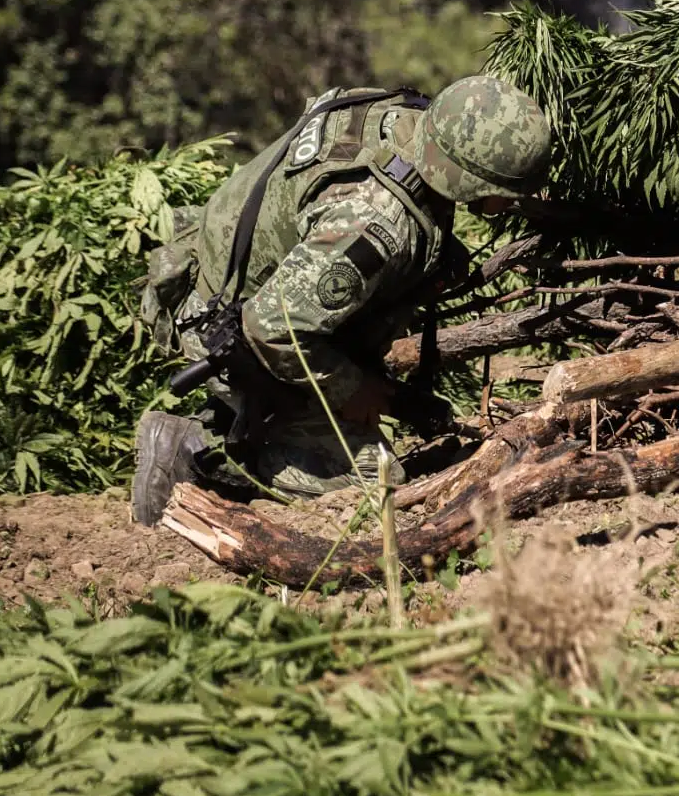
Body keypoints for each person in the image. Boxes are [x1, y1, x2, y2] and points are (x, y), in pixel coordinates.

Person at [131, 76, 552, 526]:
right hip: (227, 332)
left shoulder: (411, 124)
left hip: (241, 283)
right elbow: (271, 326)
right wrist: (351, 387)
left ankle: (261, 419)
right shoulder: (376, 222)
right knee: (374, 488)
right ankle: (196, 449)